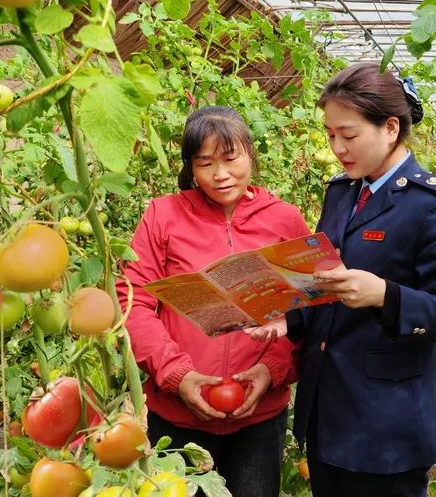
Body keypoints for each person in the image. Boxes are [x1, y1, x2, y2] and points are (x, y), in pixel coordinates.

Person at [248, 63, 436, 497]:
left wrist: (384, 295)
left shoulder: (435, 205)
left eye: (348, 135)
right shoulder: (341, 192)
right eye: (331, 135)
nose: (338, 147)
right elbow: (326, 284)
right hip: (327, 413)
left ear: (390, 128)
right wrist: (288, 319)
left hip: (385, 428)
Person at [116, 106, 311, 497]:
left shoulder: (284, 220)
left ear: (250, 154)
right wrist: (177, 375)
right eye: (204, 163)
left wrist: (271, 370)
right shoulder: (163, 216)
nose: (220, 174)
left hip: (259, 418)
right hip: (176, 416)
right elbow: (132, 301)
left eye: (230, 158)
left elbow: (307, 308)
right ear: (191, 167)